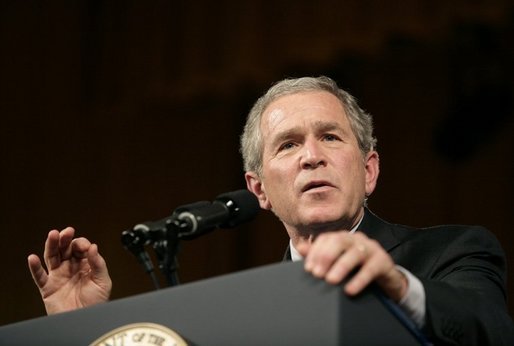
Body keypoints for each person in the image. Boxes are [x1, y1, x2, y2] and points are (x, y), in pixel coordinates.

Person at [28, 76, 513, 344]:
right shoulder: (242, 314)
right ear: (258, 189)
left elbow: (489, 331)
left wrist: (398, 286)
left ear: (369, 170)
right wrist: (80, 329)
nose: (311, 155)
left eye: (329, 136)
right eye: (287, 145)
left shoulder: (454, 251)